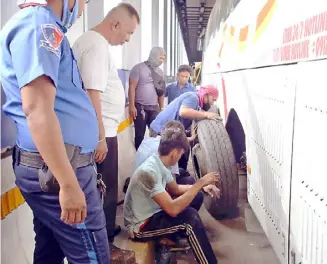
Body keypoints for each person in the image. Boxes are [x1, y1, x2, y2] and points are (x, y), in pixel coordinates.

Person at [0, 0, 110, 263]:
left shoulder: (45, 26)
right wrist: (69, 184)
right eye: (83, 1)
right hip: (59, 172)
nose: (82, 8)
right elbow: (37, 109)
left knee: (49, 251)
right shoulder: (39, 24)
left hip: (56, 168)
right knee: (92, 256)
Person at [72, 3, 139, 262]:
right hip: (99, 135)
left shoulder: (91, 42)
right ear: (115, 24)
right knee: (104, 193)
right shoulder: (97, 45)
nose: (128, 39)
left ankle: (105, 239)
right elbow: (92, 94)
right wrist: (100, 138)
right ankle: (106, 248)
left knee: (103, 193)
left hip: (99, 132)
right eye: (129, 32)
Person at [123, 124, 220, 264]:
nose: (180, 157)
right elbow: (173, 210)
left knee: (196, 196)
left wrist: (202, 187)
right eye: (181, 153)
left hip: (154, 212)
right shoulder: (148, 172)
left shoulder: (161, 163)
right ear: (175, 152)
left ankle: (174, 236)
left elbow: (175, 189)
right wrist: (200, 183)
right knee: (190, 219)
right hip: (140, 226)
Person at [150, 85, 221, 170]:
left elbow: (191, 118)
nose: (212, 103)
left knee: (177, 160)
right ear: (206, 94)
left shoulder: (196, 102)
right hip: (159, 131)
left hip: (167, 131)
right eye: (213, 99)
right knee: (163, 166)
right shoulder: (193, 97)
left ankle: (179, 176)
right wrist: (206, 115)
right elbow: (183, 112)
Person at [128, 47, 166, 150]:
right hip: (140, 107)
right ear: (153, 56)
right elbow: (132, 87)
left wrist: (161, 109)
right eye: (160, 58)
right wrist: (131, 106)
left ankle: (154, 156)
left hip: (154, 108)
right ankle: (139, 157)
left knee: (157, 134)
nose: (161, 61)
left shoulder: (160, 72)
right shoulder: (138, 68)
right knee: (140, 134)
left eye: (163, 59)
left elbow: (161, 91)